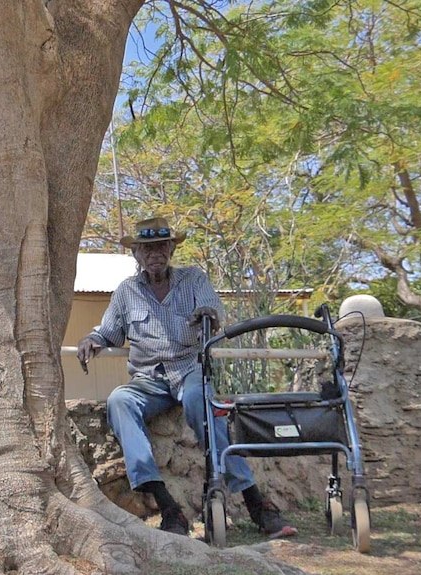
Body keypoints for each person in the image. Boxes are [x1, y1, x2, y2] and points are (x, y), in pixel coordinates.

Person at [76, 216, 296, 540]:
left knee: (201, 402)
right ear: (136, 254)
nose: (155, 254)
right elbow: (108, 331)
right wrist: (91, 340)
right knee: (119, 401)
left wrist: (207, 314)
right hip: (148, 379)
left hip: (189, 370)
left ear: (171, 249)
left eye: (161, 246)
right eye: (147, 248)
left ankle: (257, 505)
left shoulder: (193, 279)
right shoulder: (126, 292)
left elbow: (213, 310)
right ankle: (168, 508)